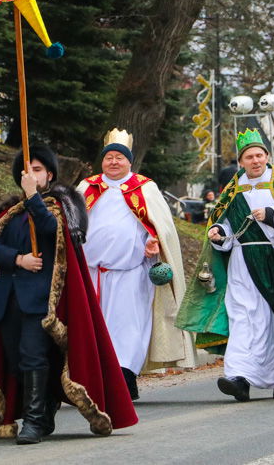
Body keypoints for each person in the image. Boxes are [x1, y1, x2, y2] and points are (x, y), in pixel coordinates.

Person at [0, 144, 137, 443]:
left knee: (33, 356)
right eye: (27, 171)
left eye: (37, 170)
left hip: (43, 299)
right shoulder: (7, 212)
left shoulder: (63, 206)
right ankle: (44, 409)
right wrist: (18, 259)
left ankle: (35, 421)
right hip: (6, 298)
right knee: (14, 359)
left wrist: (34, 197)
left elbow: (52, 232)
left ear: (49, 174)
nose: (32, 175)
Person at [176, 128, 274, 401]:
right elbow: (225, 226)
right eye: (249, 156)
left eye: (259, 155)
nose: (255, 161)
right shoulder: (232, 189)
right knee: (241, 318)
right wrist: (217, 232)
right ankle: (238, 377)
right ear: (241, 161)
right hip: (240, 262)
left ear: (266, 156)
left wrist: (271, 215)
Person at [77, 128, 196, 400]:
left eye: (120, 157)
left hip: (132, 273)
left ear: (130, 161)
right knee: (98, 329)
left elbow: (162, 228)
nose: (114, 162)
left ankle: (125, 379)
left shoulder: (144, 187)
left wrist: (154, 241)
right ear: (102, 161)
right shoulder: (87, 187)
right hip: (93, 273)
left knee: (129, 328)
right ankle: (98, 381)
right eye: (109, 157)